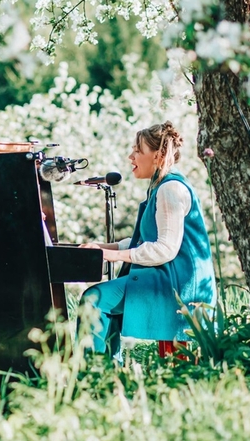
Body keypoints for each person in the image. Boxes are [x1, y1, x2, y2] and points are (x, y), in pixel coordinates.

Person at [78, 121, 216, 360]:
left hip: (179, 285)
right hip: (168, 278)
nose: (131, 156)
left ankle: (97, 373)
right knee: (100, 298)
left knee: (95, 299)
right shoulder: (160, 187)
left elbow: (164, 249)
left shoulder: (170, 189)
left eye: (138, 151)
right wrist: (102, 247)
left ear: (158, 156)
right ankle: (106, 370)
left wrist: (113, 255)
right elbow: (142, 241)